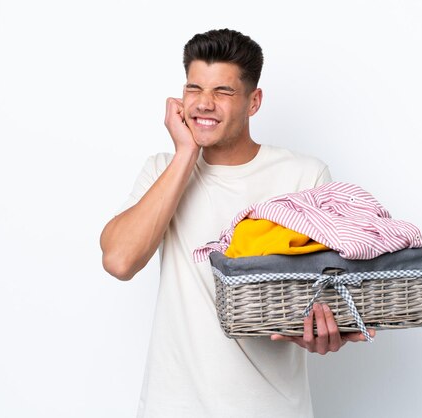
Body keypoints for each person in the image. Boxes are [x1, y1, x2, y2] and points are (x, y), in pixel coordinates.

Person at [100, 28, 375, 418]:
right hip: (172, 407)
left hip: (270, 409)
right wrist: (185, 154)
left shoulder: (304, 176)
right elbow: (119, 260)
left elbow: (331, 292)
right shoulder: (162, 170)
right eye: (194, 89)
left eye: (223, 92)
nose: (204, 104)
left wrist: (323, 332)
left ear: (254, 101)